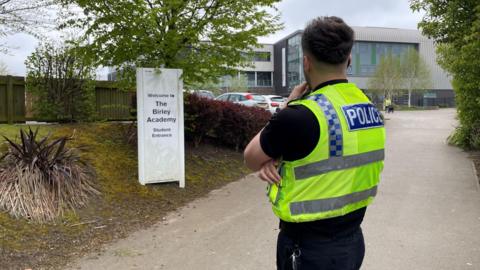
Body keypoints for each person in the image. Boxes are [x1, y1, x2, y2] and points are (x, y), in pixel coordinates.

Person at [244, 17, 385, 270]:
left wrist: (287, 105)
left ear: (306, 62)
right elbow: (336, 152)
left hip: (308, 250)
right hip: (352, 243)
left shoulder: (299, 116)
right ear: (349, 59)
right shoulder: (369, 108)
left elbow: (250, 158)